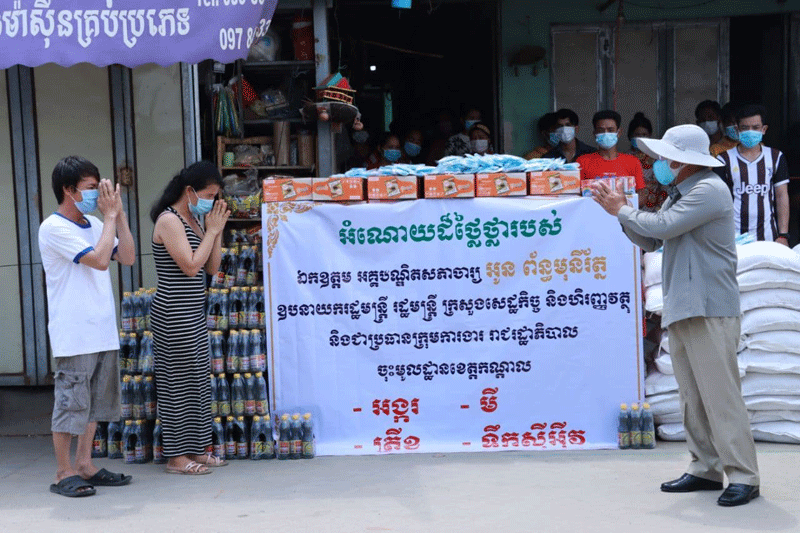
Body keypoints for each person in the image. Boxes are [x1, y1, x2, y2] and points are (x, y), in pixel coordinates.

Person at [592, 124, 760, 507]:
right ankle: (705, 468)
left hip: (709, 307)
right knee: (692, 397)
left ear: (685, 161)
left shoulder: (708, 190)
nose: (661, 164)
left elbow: (663, 227)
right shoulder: (681, 194)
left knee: (720, 397)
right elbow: (652, 239)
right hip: (685, 304)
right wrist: (622, 215)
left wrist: (624, 210)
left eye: (667, 158)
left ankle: (743, 476)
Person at [39, 156, 136, 497]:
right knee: (70, 404)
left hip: (102, 330)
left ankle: (85, 464)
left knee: (94, 405)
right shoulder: (54, 228)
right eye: (91, 188)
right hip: (75, 334)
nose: (98, 194)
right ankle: (63, 471)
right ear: (69, 190)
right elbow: (98, 261)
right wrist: (108, 218)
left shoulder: (96, 224)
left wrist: (119, 216)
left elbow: (127, 257)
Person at [150, 161, 231, 475]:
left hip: (194, 312)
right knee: (177, 384)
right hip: (173, 312)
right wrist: (211, 231)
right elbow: (190, 265)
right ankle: (176, 456)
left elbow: (211, 268)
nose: (212, 201)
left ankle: (198, 448)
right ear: (189, 191)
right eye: (208, 195)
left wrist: (216, 232)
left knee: (197, 382)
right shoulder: (169, 220)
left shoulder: (194, 221)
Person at [714, 104, 790, 244]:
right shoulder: (723, 159)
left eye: (755, 127)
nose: (750, 132)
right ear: (737, 129)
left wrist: (783, 235)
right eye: (745, 128)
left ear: (764, 129)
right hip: (733, 239)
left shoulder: (776, 157)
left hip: (768, 238)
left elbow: (781, 196)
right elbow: (717, 200)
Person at [575, 110, 645, 191]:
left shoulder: (633, 162)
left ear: (619, 132)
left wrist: (623, 199)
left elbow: (641, 194)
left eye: (610, 130)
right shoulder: (582, 162)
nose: (606, 133)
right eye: (601, 130)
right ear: (594, 133)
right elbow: (576, 193)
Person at [627, 112, 667, 212]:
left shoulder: (658, 158)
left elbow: (664, 186)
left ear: (650, 136)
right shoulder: (625, 158)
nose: (641, 138)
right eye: (637, 135)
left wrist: (660, 208)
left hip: (654, 210)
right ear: (630, 135)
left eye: (644, 135)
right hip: (631, 209)